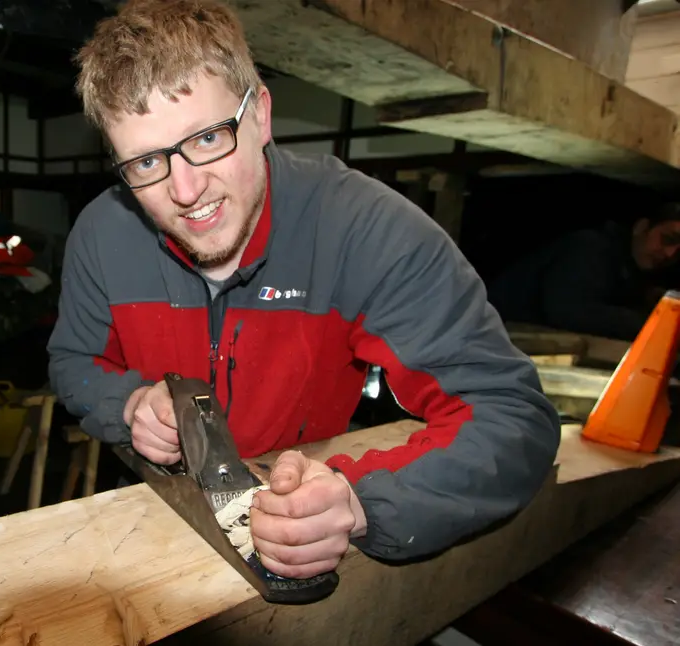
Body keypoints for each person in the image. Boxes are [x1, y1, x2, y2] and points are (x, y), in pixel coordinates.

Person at [46, 0, 560, 580]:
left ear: (261, 114)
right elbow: (73, 363)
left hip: (305, 514)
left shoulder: (367, 230)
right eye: (144, 164)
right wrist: (128, 404)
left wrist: (362, 503)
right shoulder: (103, 232)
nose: (186, 190)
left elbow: (513, 418)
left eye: (209, 137)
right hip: (159, 518)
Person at [487, 206, 680, 342]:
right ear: (641, 227)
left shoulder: (630, 268)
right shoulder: (591, 247)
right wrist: (659, 322)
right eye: (668, 239)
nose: (670, 254)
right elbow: (572, 312)